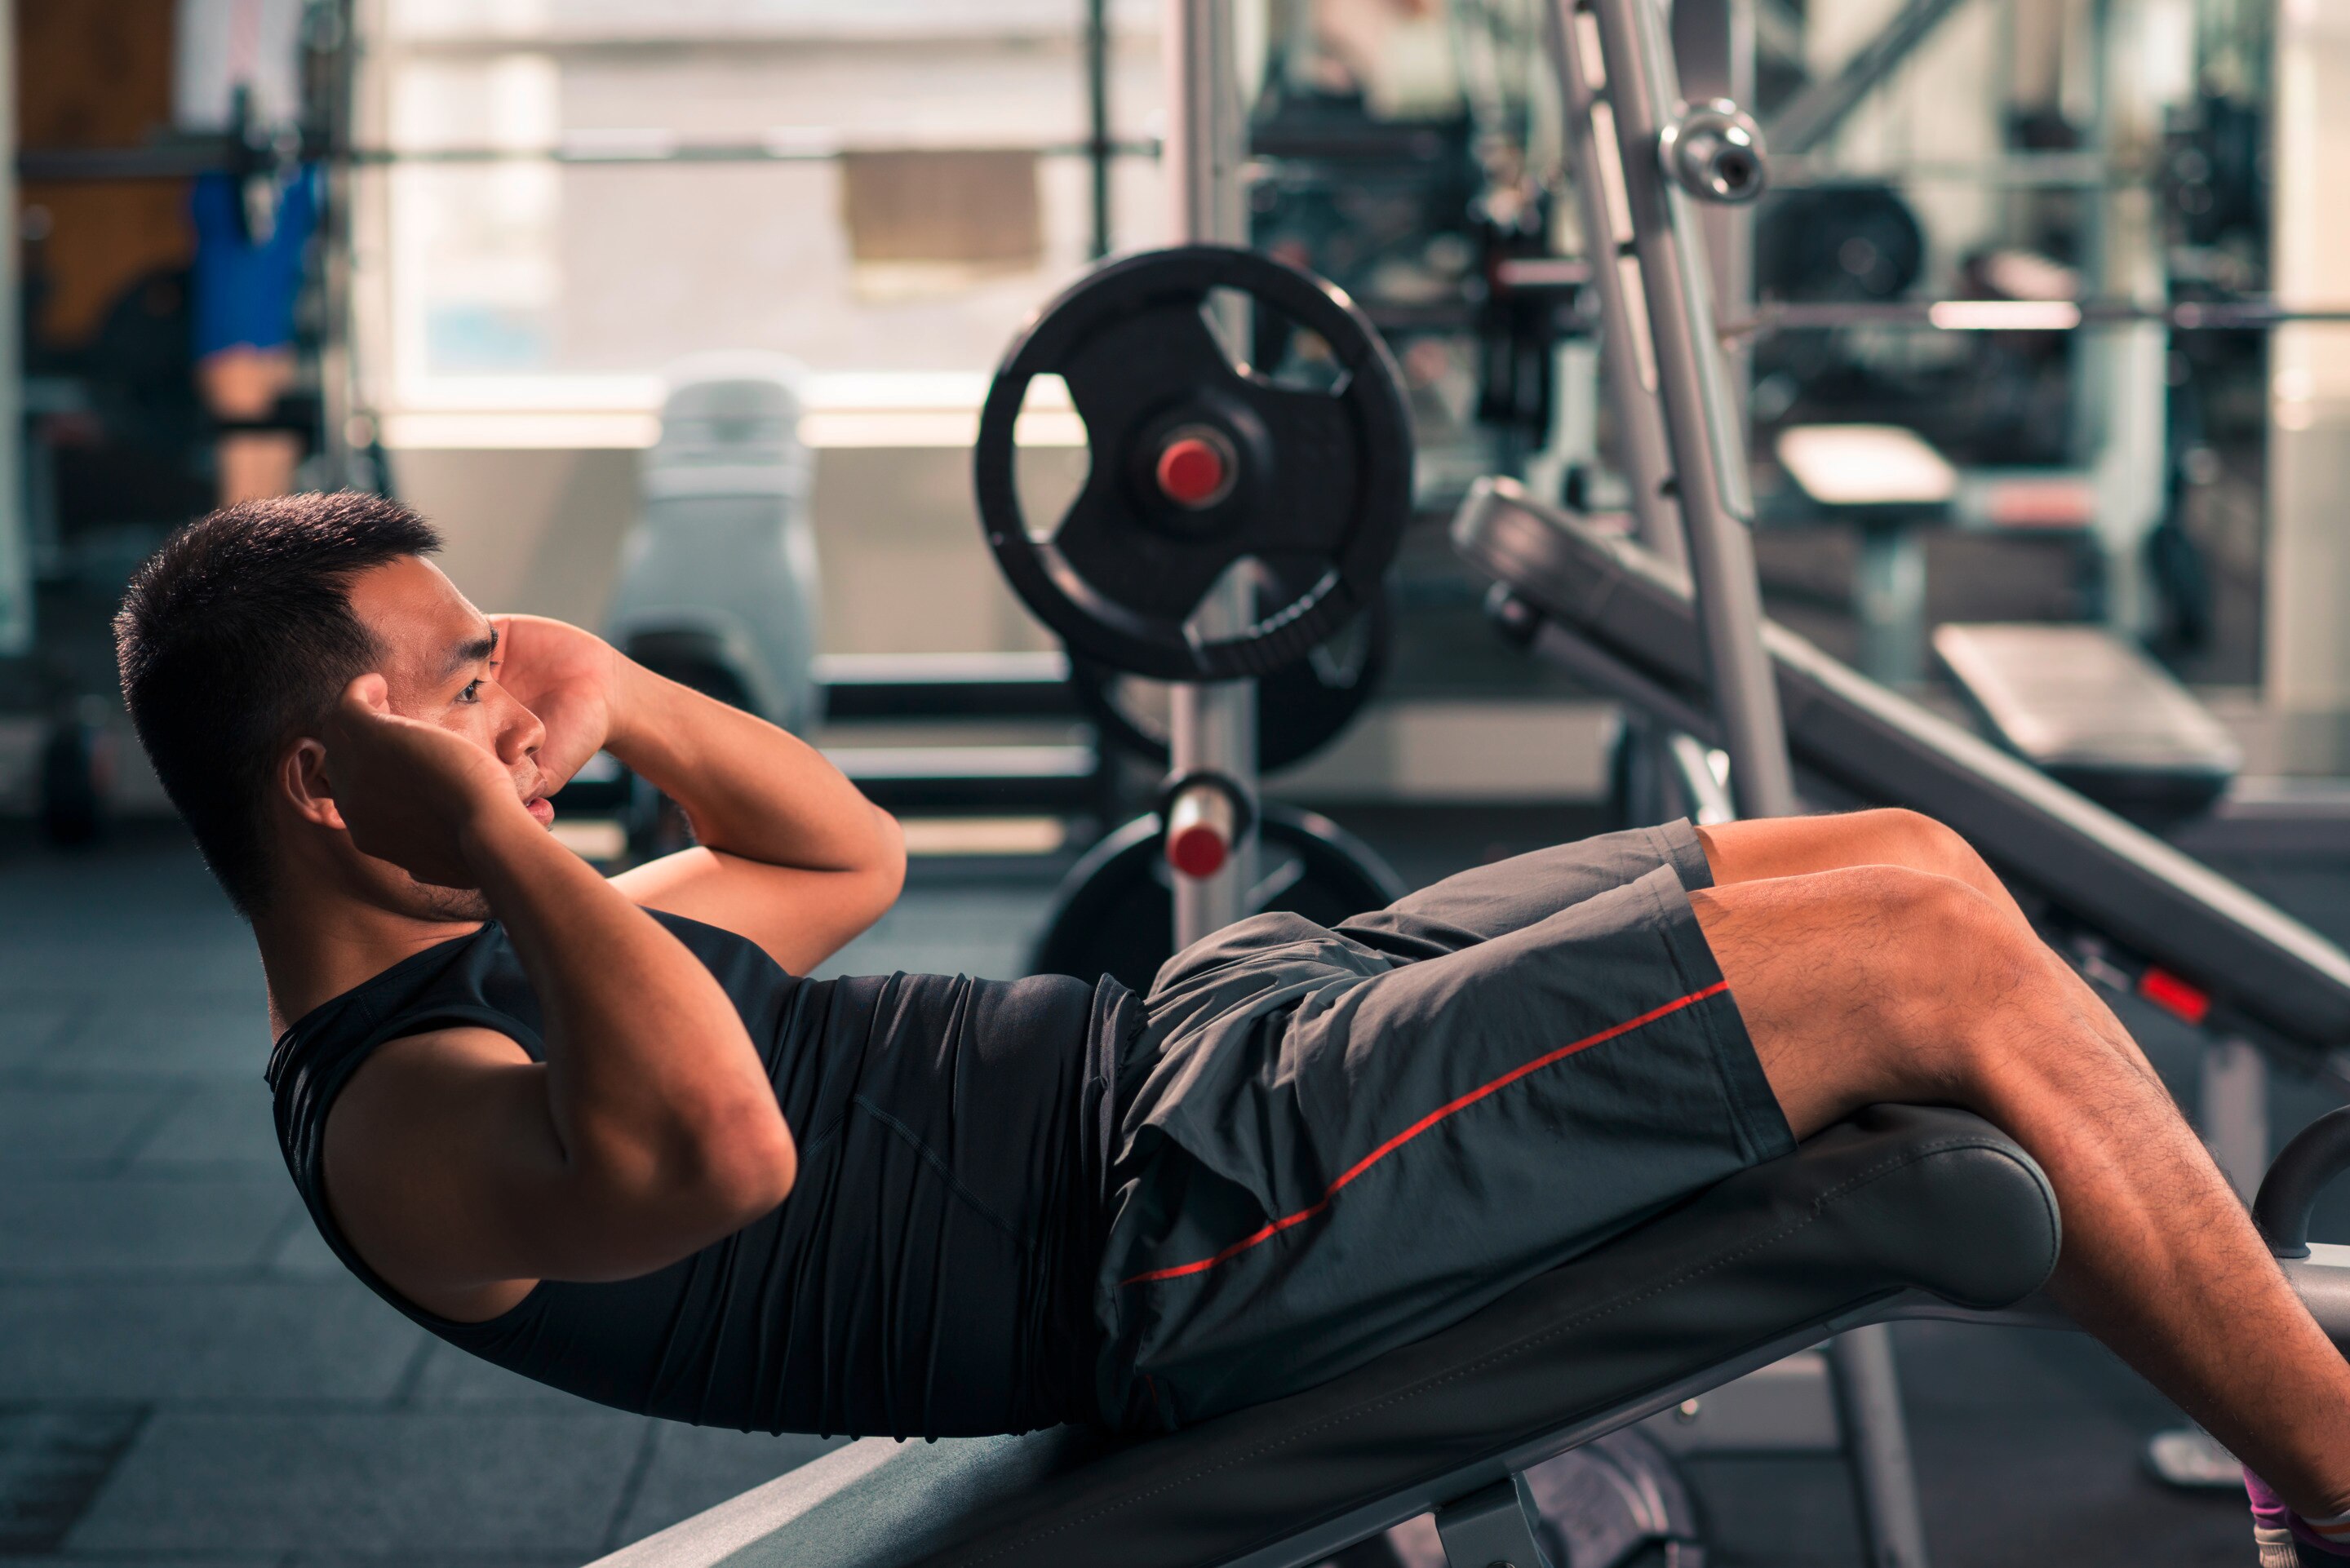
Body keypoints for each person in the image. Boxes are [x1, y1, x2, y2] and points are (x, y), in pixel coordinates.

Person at [113, 493, 2350, 1564]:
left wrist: (610, 683)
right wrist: (518, 848)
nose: (508, 712)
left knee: (1904, 869)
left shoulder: (510, 954)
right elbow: (728, 1152)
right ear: (334, 790)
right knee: (1923, 975)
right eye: (457, 686)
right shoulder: (405, 1118)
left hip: (1202, 1040)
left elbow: (837, 859)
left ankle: (2280, 1414)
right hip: (1191, 1224)